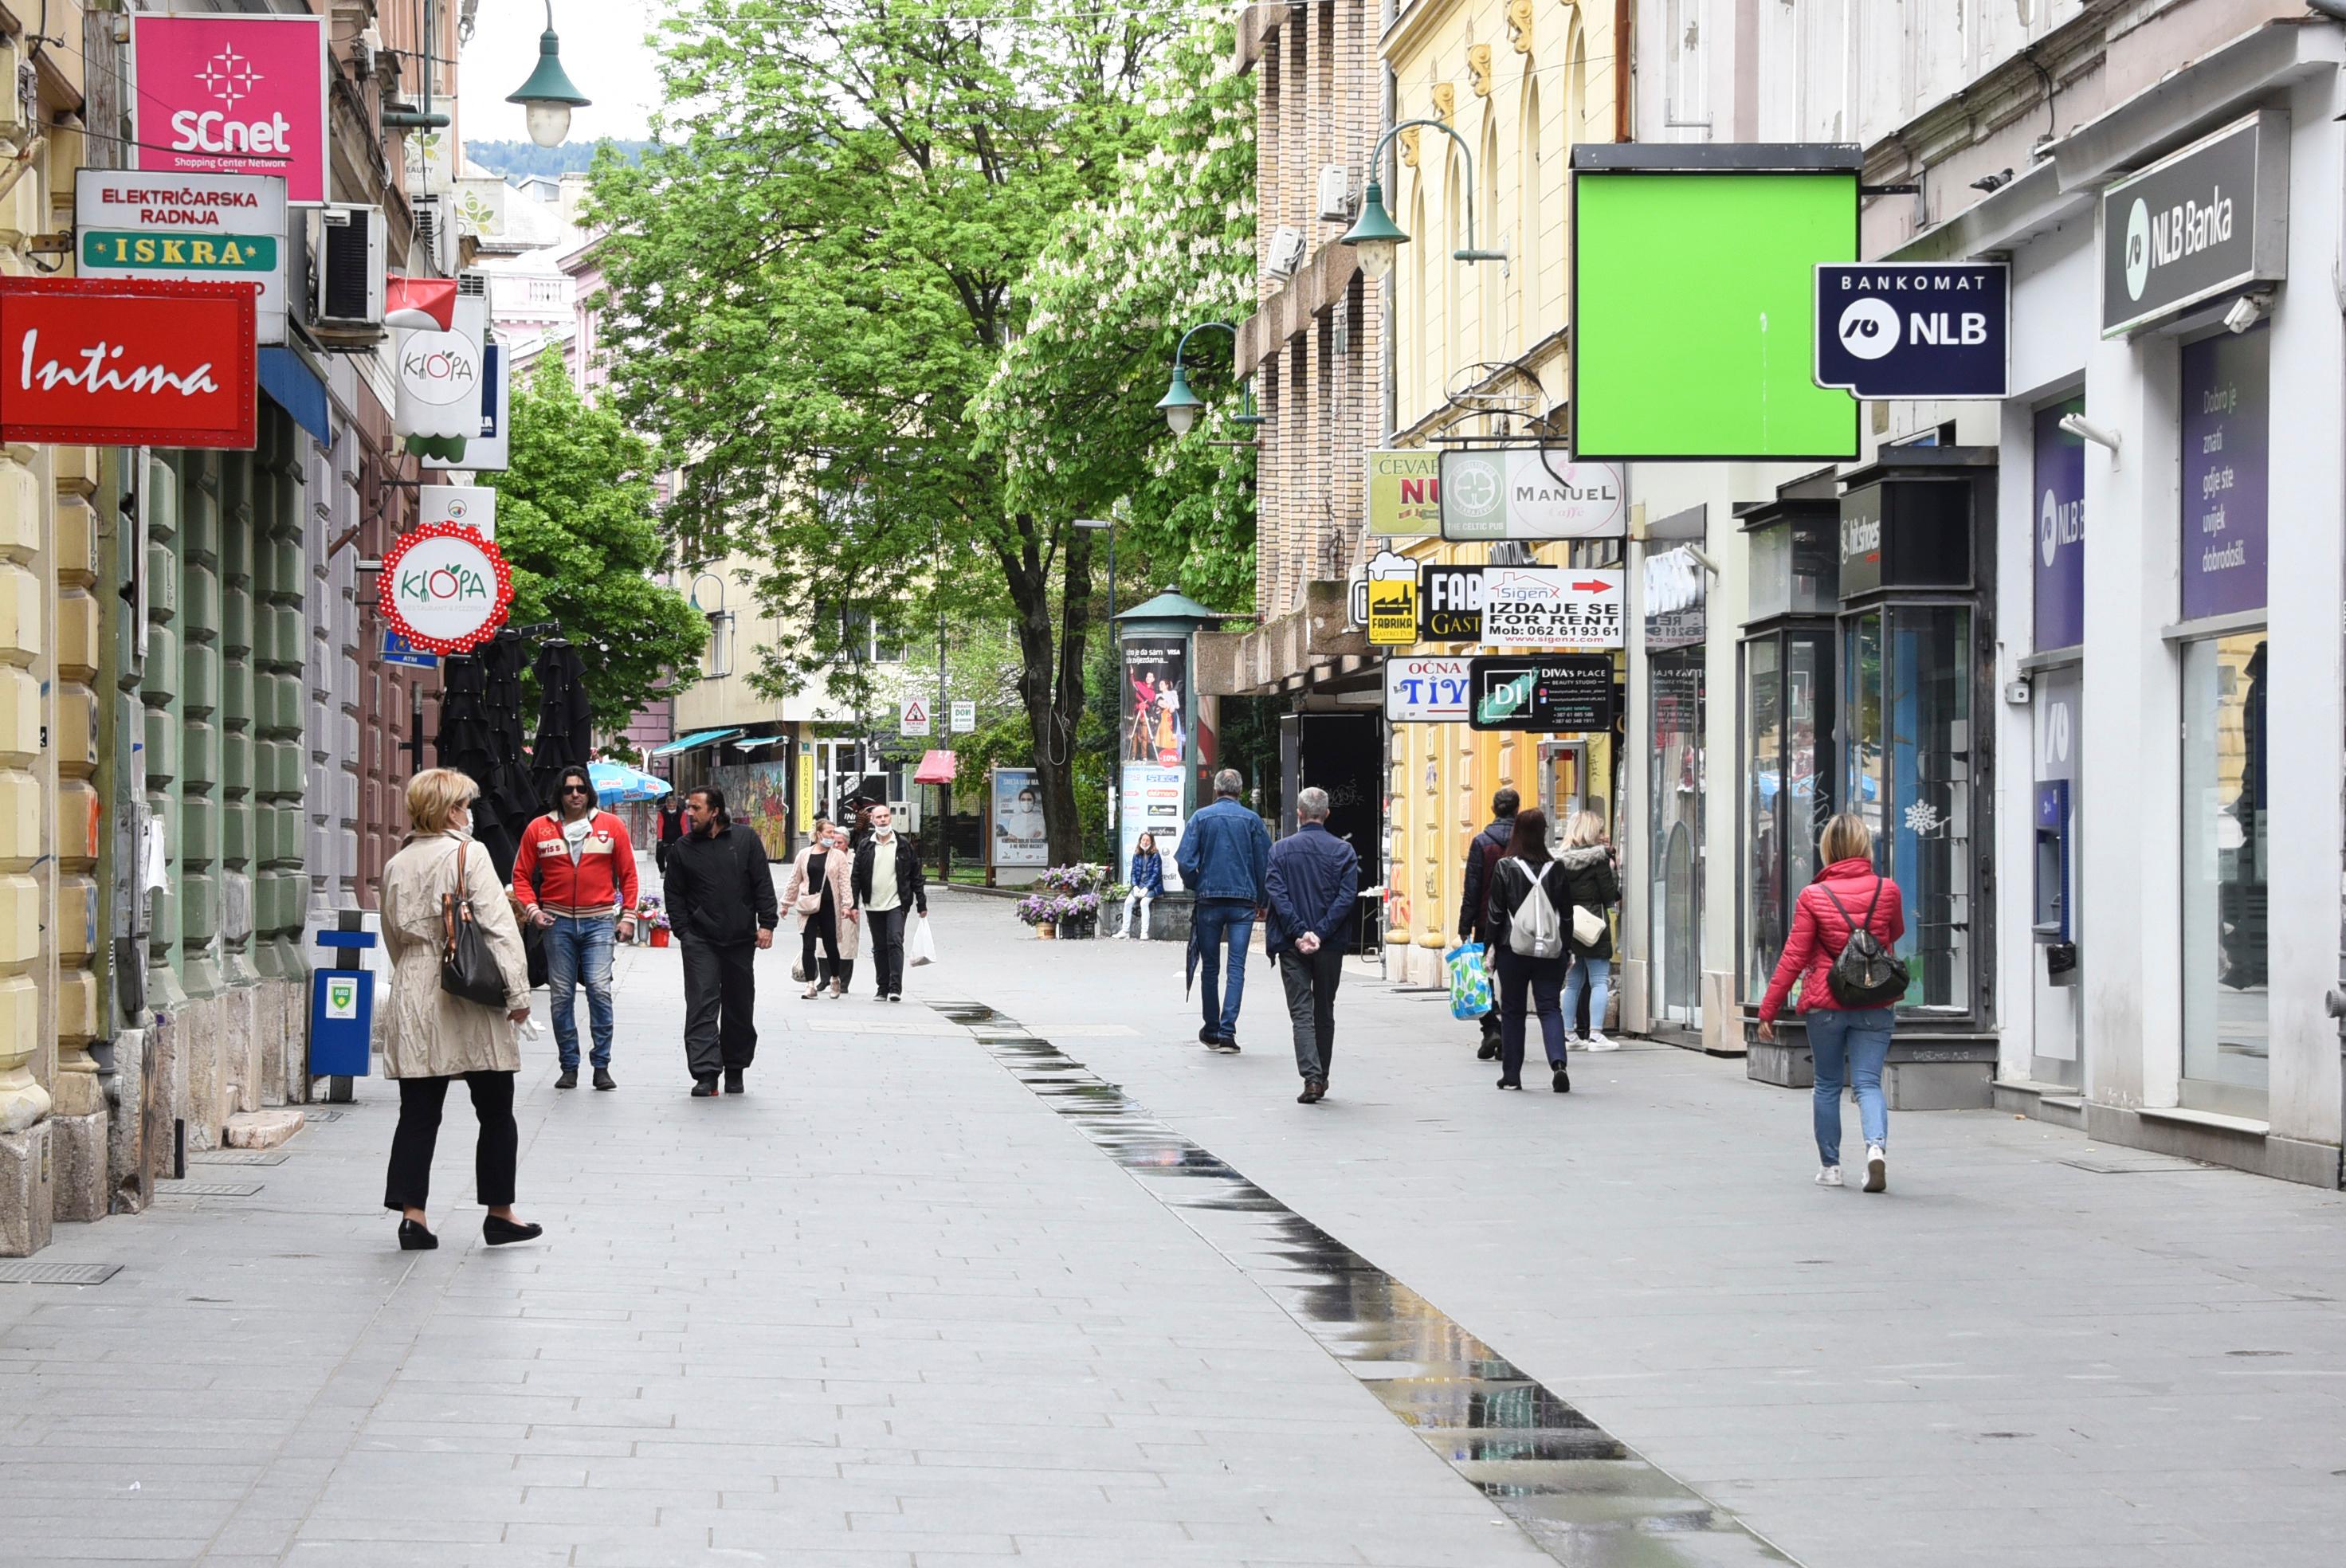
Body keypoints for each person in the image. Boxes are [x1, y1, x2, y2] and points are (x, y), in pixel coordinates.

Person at [377, 768, 541, 1251]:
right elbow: (497, 927)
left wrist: (412, 972)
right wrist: (519, 994)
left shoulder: (397, 863)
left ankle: (413, 1215)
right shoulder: (470, 853)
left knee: (418, 1110)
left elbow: (391, 936)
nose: (470, 815)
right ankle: (499, 1211)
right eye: (465, 806)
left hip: (414, 984)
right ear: (452, 811)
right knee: (495, 1108)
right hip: (468, 987)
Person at [1757, 812, 1906, 1194]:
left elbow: (1794, 955)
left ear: (1827, 851)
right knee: (1868, 1083)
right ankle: (1875, 1149)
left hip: (1825, 1003)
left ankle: (1831, 1167)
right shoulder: (1887, 889)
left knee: (1826, 1084)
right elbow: (1893, 934)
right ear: (1863, 845)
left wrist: (1769, 1009)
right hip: (1875, 1000)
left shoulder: (1813, 896)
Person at [512, 765, 638, 1092]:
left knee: (599, 989)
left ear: (589, 792)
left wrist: (628, 916)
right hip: (556, 923)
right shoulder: (539, 829)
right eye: (568, 790)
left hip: (598, 921)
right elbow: (521, 876)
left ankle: (601, 1066)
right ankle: (569, 1065)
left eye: (581, 789)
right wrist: (532, 910)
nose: (575, 795)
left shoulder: (611, 827)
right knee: (561, 997)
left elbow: (629, 875)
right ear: (560, 793)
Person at [662, 786, 778, 1096]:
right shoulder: (683, 849)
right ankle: (706, 1074)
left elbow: (762, 883)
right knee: (701, 1005)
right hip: (700, 939)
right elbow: (673, 894)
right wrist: (683, 931)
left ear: (715, 811)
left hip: (740, 938)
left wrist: (767, 923)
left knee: (739, 1005)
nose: (689, 814)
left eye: (695, 808)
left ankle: (736, 1068)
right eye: (687, 808)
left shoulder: (745, 840)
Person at [1265, 787, 1358, 1104]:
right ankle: (1323, 1075)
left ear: (1299, 814)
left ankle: (1312, 1078)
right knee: (1325, 1009)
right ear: (1327, 814)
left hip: (1292, 945)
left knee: (1301, 1012)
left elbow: (1277, 896)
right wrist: (1320, 932)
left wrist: (1298, 933)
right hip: (1329, 945)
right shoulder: (1343, 851)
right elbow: (1346, 899)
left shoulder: (1280, 851)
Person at [1175, 768, 1272, 1054]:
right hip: (1243, 902)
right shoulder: (1252, 820)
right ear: (1239, 791)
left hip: (1209, 901)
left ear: (1216, 791)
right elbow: (1265, 864)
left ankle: (1212, 1030)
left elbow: (1184, 861)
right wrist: (1262, 901)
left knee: (1210, 968)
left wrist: (1197, 882)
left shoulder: (1201, 818)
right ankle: (1229, 1032)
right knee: (1236, 968)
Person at [1485, 806, 1571, 1093]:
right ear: (1543, 833)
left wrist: (1489, 948)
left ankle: (1511, 1075)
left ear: (1517, 833)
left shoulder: (1506, 867)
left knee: (1512, 1011)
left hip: (1513, 949)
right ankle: (1559, 1064)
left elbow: (1495, 913)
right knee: (1550, 1007)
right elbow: (1567, 914)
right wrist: (1566, 949)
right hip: (1550, 950)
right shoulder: (1557, 867)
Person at [1457, 788, 1519, 1061]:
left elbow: (1472, 886)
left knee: (1484, 978)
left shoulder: (1482, 842)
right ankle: (1508, 1035)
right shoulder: (1524, 842)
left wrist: (1465, 924)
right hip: (1520, 922)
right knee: (1513, 979)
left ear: (1494, 810)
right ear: (1516, 810)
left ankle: (1491, 1027)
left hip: (1486, 920)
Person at [1556, 812, 1622, 1052]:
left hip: (1569, 927)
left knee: (1573, 983)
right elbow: (1610, 894)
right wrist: (1612, 868)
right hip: (1593, 926)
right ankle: (1595, 1035)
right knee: (1599, 981)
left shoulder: (1559, 860)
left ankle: (1567, 1034)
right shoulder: (1599, 861)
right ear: (1591, 833)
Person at [851, 802, 928, 1002]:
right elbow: (856, 876)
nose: (883, 820)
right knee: (880, 946)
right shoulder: (865, 845)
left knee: (895, 940)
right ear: (872, 821)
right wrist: (853, 904)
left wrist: (921, 903)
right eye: (879, 817)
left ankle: (895, 988)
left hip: (897, 902)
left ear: (890, 818)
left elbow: (916, 875)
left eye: (886, 816)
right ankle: (882, 987)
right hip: (873, 903)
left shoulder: (903, 844)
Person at [783, 818, 857, 998]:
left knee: (830, 944)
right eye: (829, 833)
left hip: (830, 906)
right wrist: (786, 903)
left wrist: (847, 905)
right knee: (808, 945)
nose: (832, 836)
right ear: (818, 834)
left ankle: (835, 978)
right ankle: (810, 985)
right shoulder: (804, 854)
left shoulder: (838, 856)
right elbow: (795, 879)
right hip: (808, 906)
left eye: (834, 833)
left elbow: (844, 882)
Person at [1116, 831, 1164, 939]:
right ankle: (1125, 931)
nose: (1145, 842)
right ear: (1140, 841)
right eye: (1143, 840)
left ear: (1151, 842)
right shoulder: (1137, 855)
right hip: (1140, 885)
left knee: (1144, 903)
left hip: (1153, 887)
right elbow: (1133, 873)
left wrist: (1147, 888)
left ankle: (1144, 932)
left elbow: (1156, 875)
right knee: (1128, 902)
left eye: (1148, 840)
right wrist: (1135, 886)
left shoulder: (1156, 855)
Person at [654, 793, 685, 875]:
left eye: (673, 806)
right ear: (666, 805)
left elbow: (684, 826)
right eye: (670, 806)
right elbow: (660, 825)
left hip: (678, 838)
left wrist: (686, 838)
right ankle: (663, 871)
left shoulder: (681, 813)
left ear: (676, 805)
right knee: (659, 855)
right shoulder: (662, 813)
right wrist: (660, 839)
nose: (671, 808)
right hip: (665, 838)